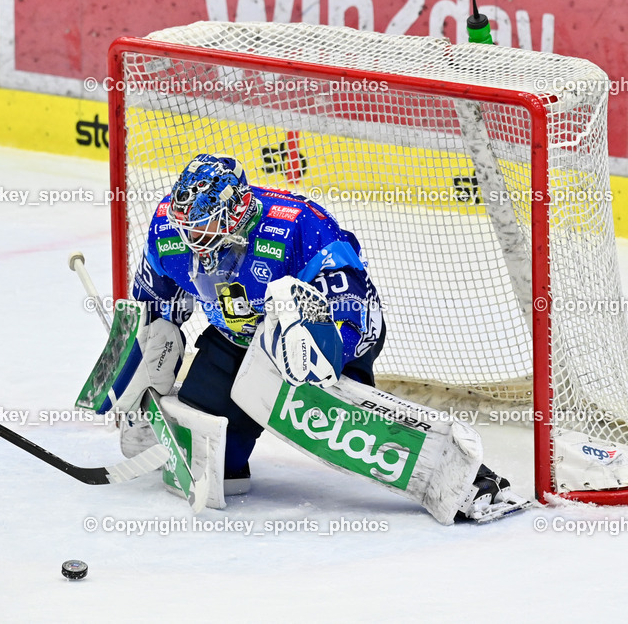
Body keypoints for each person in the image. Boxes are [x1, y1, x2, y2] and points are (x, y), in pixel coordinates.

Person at [93, 152, 526, 523]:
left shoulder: (298, 224)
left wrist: (322, 359)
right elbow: (153, 302)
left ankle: (469, 480)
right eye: (190, 230)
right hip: (235, 335)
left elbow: (354, 304)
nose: (196, 243)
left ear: (237, 213)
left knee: (336, 419)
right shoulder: (172, 228)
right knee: (209, 459)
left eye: (206, 230)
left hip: (325, 335)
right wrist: (139, 362)